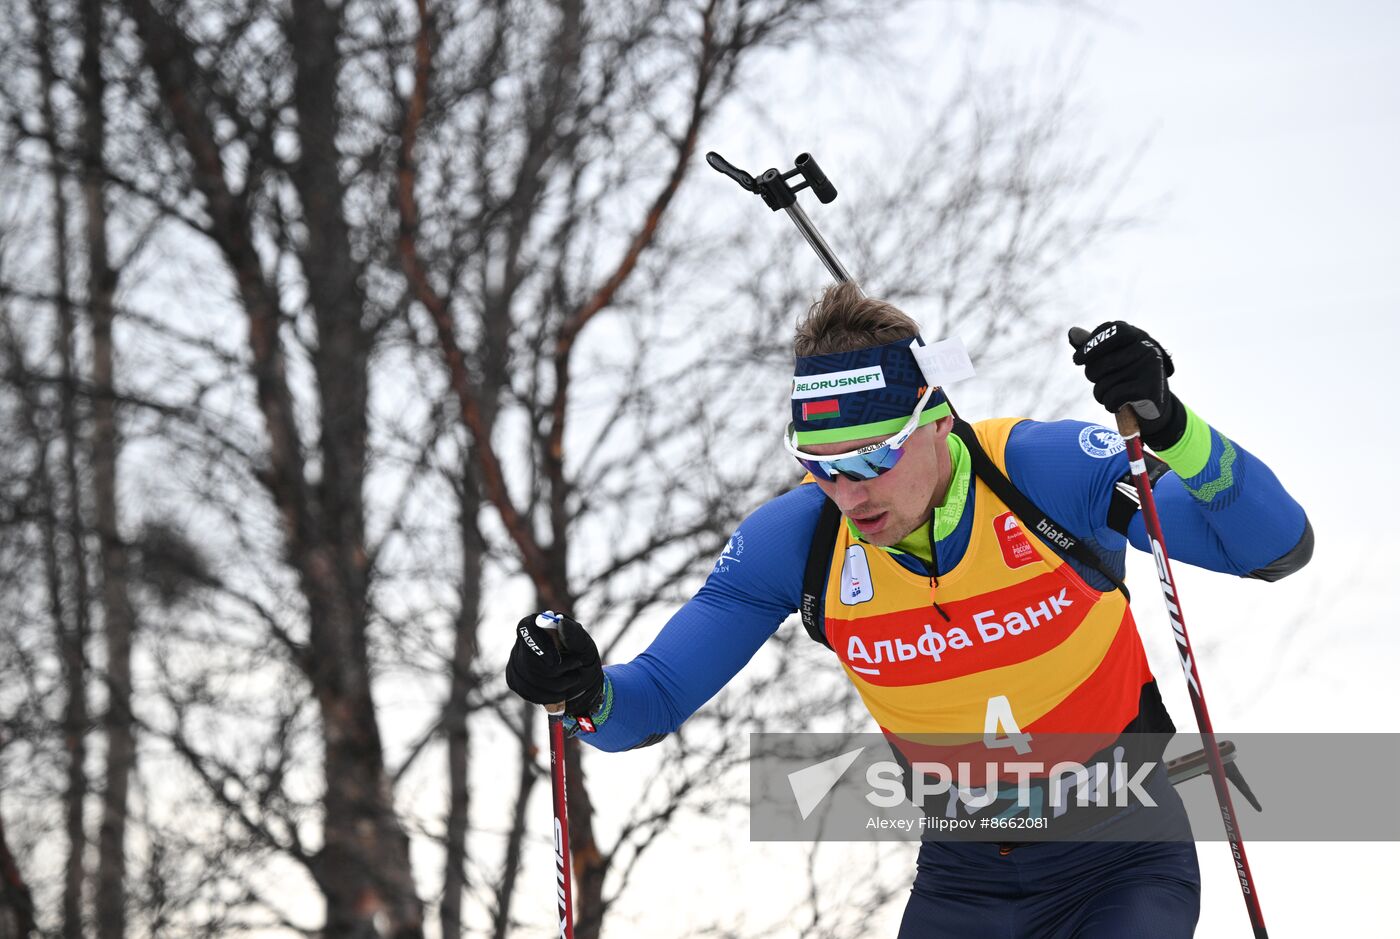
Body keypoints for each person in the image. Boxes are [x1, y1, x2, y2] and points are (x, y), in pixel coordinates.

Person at [506, 283, 1312, 938]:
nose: (850, 493)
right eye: (820, 467)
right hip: (965, 883)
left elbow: (1273, 548)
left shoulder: (1040, 474)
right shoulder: (800, 542)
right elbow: (644, 704)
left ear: (935, 418)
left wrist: (1172, 427)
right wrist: (579, 690)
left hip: (1120, 858)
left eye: (872, 458)